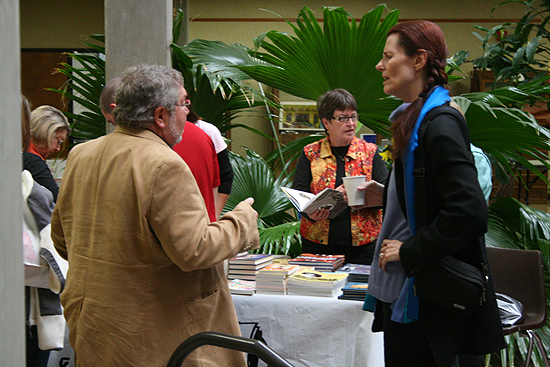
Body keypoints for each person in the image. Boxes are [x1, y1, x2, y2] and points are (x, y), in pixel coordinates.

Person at [51, 64, 260, 367]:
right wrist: (242, 220)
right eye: (183, 103)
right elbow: (195, 249)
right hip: (152, 335)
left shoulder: (82, 154)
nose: (188, 112)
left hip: (95, 327)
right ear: (161, 116)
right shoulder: (164, 164)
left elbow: (62, 239)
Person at [362, 20, 505, 366]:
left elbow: (469, 211)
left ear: (419, 59)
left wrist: (411, 250)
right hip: (412, 293)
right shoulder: (415, 120)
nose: (380, 66)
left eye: (388, 56)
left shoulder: (438, 124)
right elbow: (429, 200)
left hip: (427, 298)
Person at [291, 89, 389, 265]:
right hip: (317, 245)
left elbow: (389, 195)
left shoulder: (370, 153)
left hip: (364, 246)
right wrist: (310, 214)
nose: (351, 123)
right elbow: (299, 194)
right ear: (326, 122)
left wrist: (371, 195)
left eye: (353, 117)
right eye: (343, 118)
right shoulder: (310, 153)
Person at [188, 107, 234, 219]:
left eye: (185, 102)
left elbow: (226, 176)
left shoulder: (206, 130)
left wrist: (214, 216)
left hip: (204, 215)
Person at [173, 118, 221, 222]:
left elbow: (224, 176)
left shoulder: (205, 132)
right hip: (203, 226)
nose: (186, 108)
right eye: (182, 103)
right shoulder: (201, 135)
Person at [24, 105, 71, 202]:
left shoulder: (15, 154)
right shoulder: (33, 161)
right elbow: (58, 200)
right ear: (45, 132)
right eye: (58, 141)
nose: (58, 149)